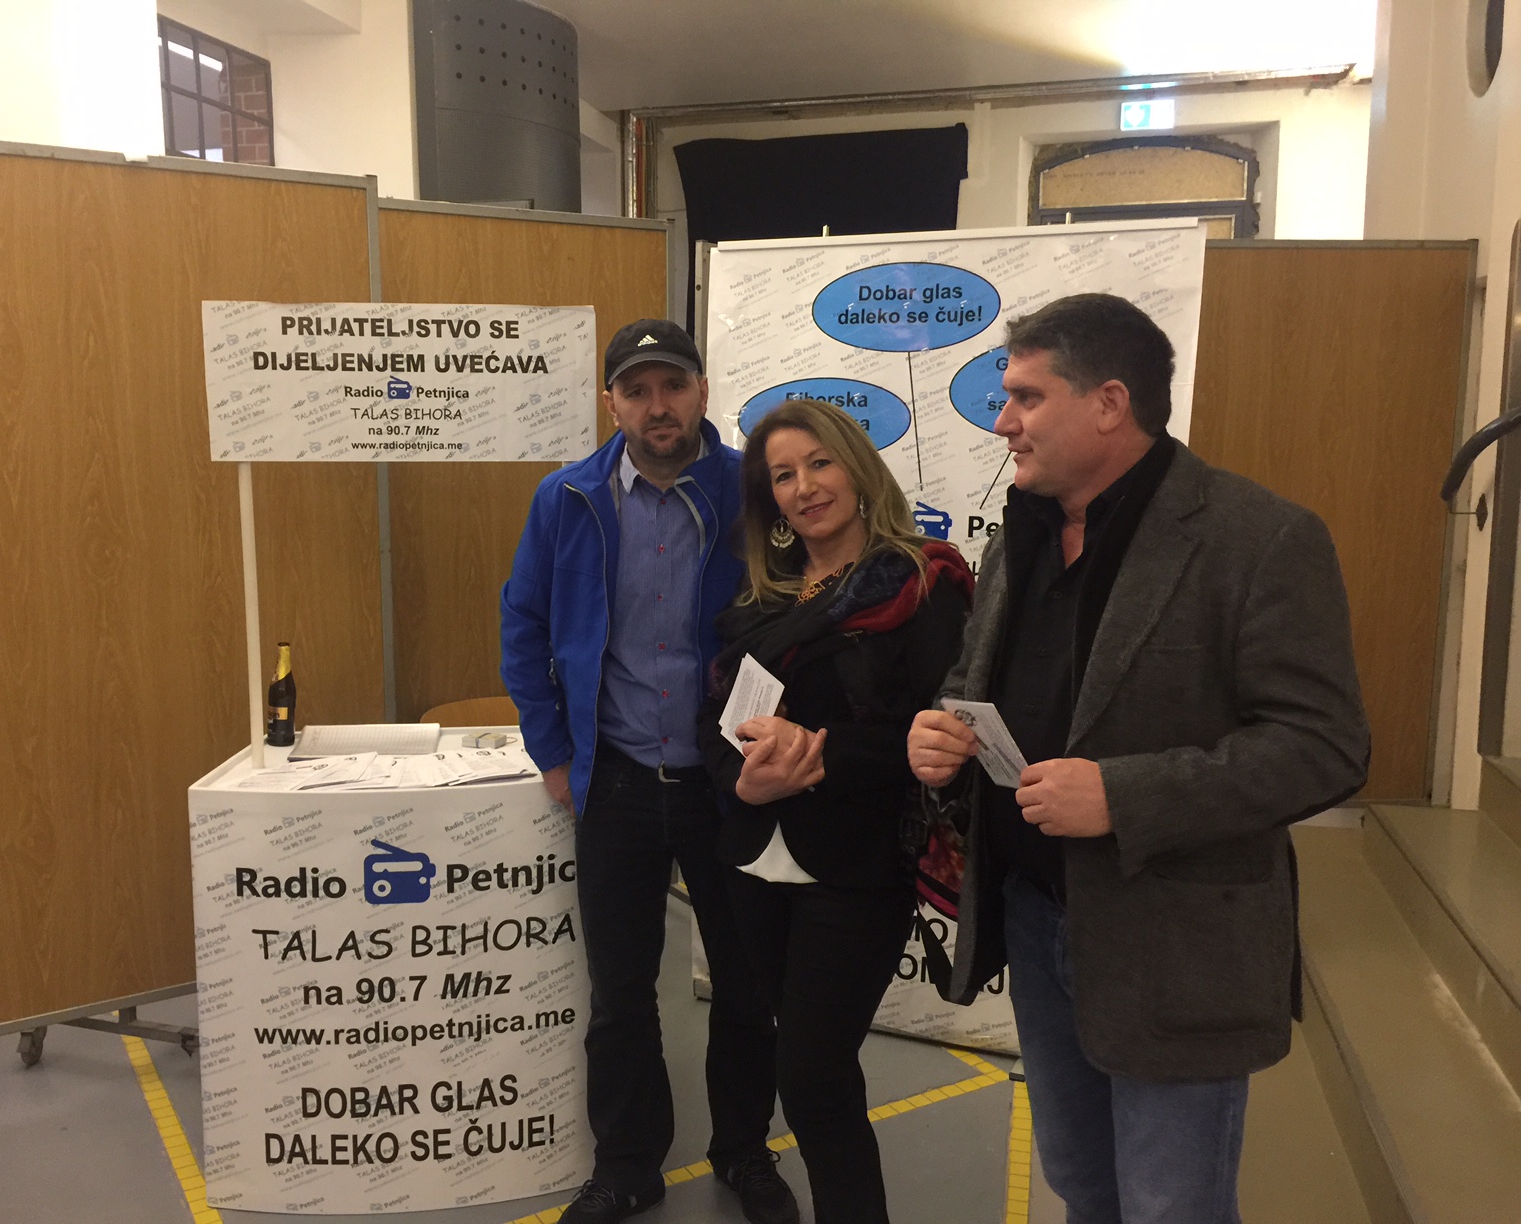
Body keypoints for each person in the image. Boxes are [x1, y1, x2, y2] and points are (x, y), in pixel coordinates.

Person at [906, 294, 1370, 1224]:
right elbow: (976, 679)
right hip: (1036, 919)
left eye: (1027, 398)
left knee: (1171, 1206)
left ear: (1109, 404)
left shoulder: (1260, 538)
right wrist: (941, 734)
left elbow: (1325, 746)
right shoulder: (1022, 536)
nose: (1003, 423)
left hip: (1175, 942)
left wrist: (1125, 796)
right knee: (1083, 1187)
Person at [500, 319, 796, 1224]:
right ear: (611, 403)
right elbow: (524, 627)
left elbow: (801, 614)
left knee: (747, 984)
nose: (657, 405)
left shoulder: (755, 490)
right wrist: (556, 752)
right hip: (619, 781)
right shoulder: (567, 499)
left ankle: (743, 1150)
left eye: (673, 385)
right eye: (637, 390)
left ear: (703, 391)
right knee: (621, 993)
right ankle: (628, 1164)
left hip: (727, 783)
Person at [698, 400, 972, 1224]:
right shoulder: (762, 598)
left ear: (856, 467)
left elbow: (939, 738)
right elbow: (716, 726)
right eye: (783, 475)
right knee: (798, 1058)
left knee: (812, 1075)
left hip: (855, 864)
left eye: (819, 463)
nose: (805, 486)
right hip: (752, 857)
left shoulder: (922, 583)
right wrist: (744, 784)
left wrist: (818, 756)